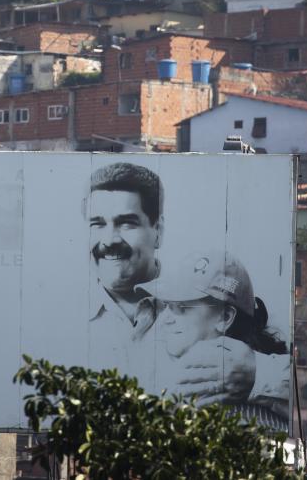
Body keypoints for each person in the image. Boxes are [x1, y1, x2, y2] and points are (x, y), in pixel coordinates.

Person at [85, 162, 289, 407]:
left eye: (127, 223)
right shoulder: (52, 324)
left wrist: (258, 372)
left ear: (158, 231)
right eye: (97, 224)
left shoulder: (199, 300)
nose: (109, 240)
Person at [142, 249, 289, 430]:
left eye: (181, 307)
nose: (165, 319)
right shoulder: (170, 392)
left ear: (225, 317)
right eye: (166, 306)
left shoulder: (252, 421)